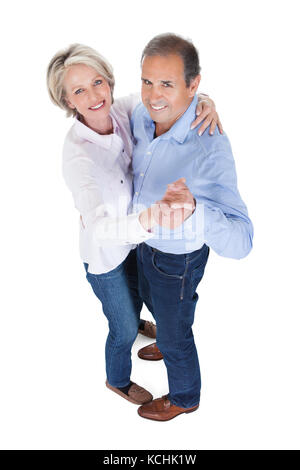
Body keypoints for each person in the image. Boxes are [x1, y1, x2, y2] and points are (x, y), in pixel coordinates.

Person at [46, 44, 222, 406]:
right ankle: (118, 379)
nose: (94, 96)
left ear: (109, 82)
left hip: (140, 244)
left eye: (98, 82)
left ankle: (143, 322)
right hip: (109, 255)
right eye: (79, 90)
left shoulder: (123, 109)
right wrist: (148, 219)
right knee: (122, 327)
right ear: (67, 101)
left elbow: (166, 97)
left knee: (144, 294)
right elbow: (97, 228)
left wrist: (203, 100)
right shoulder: (78, 157)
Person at [129, 33, 254, 421]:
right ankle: (168, 332)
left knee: (176, 329)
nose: (153, 96)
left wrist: (194, 209)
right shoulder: (140, 113)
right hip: (142, 240)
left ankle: (185, 396)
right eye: (147, 81)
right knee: (154, 299)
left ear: (193, 84)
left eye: (167, 83)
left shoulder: (209, 144)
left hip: (178, 258)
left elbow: (242, 240)